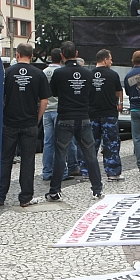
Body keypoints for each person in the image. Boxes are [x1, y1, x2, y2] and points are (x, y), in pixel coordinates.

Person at [46, 41, 104, 201]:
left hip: (65, 117)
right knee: (90, 154)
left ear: (62, 55)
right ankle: (97, 189)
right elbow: (91, 94)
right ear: (76, 54)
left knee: (60, 154)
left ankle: (54, 191)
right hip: (83, 117)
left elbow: (54, 93)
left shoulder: (59, 74)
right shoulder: (88, 73)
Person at [0, 43, 50, 207]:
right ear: (32, 56)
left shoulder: (8, 73)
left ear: (18, 54)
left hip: (9, 122)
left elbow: (0, 97)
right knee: (28, 161)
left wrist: (4, 112)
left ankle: (0, 197)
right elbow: (44, 100)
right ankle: (26, 197)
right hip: (29, 123)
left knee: (5, 159)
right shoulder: (39, 74)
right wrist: (37, 118)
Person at [42, 48, 80, 181]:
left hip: (47, 110)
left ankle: (46, 171)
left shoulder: (44, 72)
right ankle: (70, 168)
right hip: (60, 110)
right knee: (66, 142)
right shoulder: (63, 72)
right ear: (62, 57)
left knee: (48, 142)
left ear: (50, 58)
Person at [90, 49, 124, 181]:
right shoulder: (113, 75)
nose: (111, 61)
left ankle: (88, 171)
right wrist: (120, 103)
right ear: (105, 60)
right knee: (111, 144)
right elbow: (118, 91)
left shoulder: (89, 74)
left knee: (91, 144)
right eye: (110, 59)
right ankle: (113, 172)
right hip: (109, 113)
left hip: (92, 113)